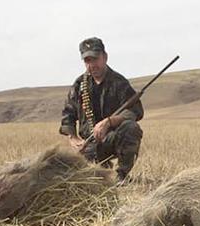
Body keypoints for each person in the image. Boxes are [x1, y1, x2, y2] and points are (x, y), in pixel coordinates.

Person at [59, 37, 144, 183]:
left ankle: (121, 176)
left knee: (131, 128)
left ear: (105, 57)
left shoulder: (119, 83)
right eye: (87, 61)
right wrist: (73, 138)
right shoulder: (80, 85)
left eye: (95, 59)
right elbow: (68, 114)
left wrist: (110, 122)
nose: (92, 65)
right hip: (88, 145)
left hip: (111, 139)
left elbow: (135, 110)